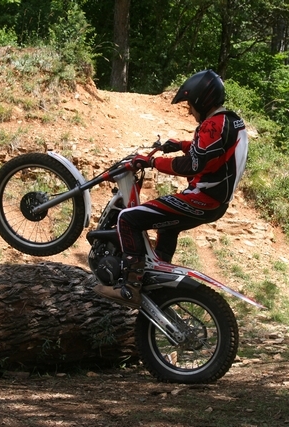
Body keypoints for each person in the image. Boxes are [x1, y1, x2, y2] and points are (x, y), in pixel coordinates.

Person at [93, 69, 249, 308]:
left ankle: (130, 288)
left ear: (201, 100)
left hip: (203, 199)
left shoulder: (213, 125)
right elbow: (213, 152)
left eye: (190, 104)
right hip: (214, 201)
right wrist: (181, 145)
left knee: (127, 218)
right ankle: (156, 281)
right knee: (166, 226)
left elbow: (193, 165)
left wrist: (153, 162)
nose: (189, 110)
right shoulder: (231, 121)